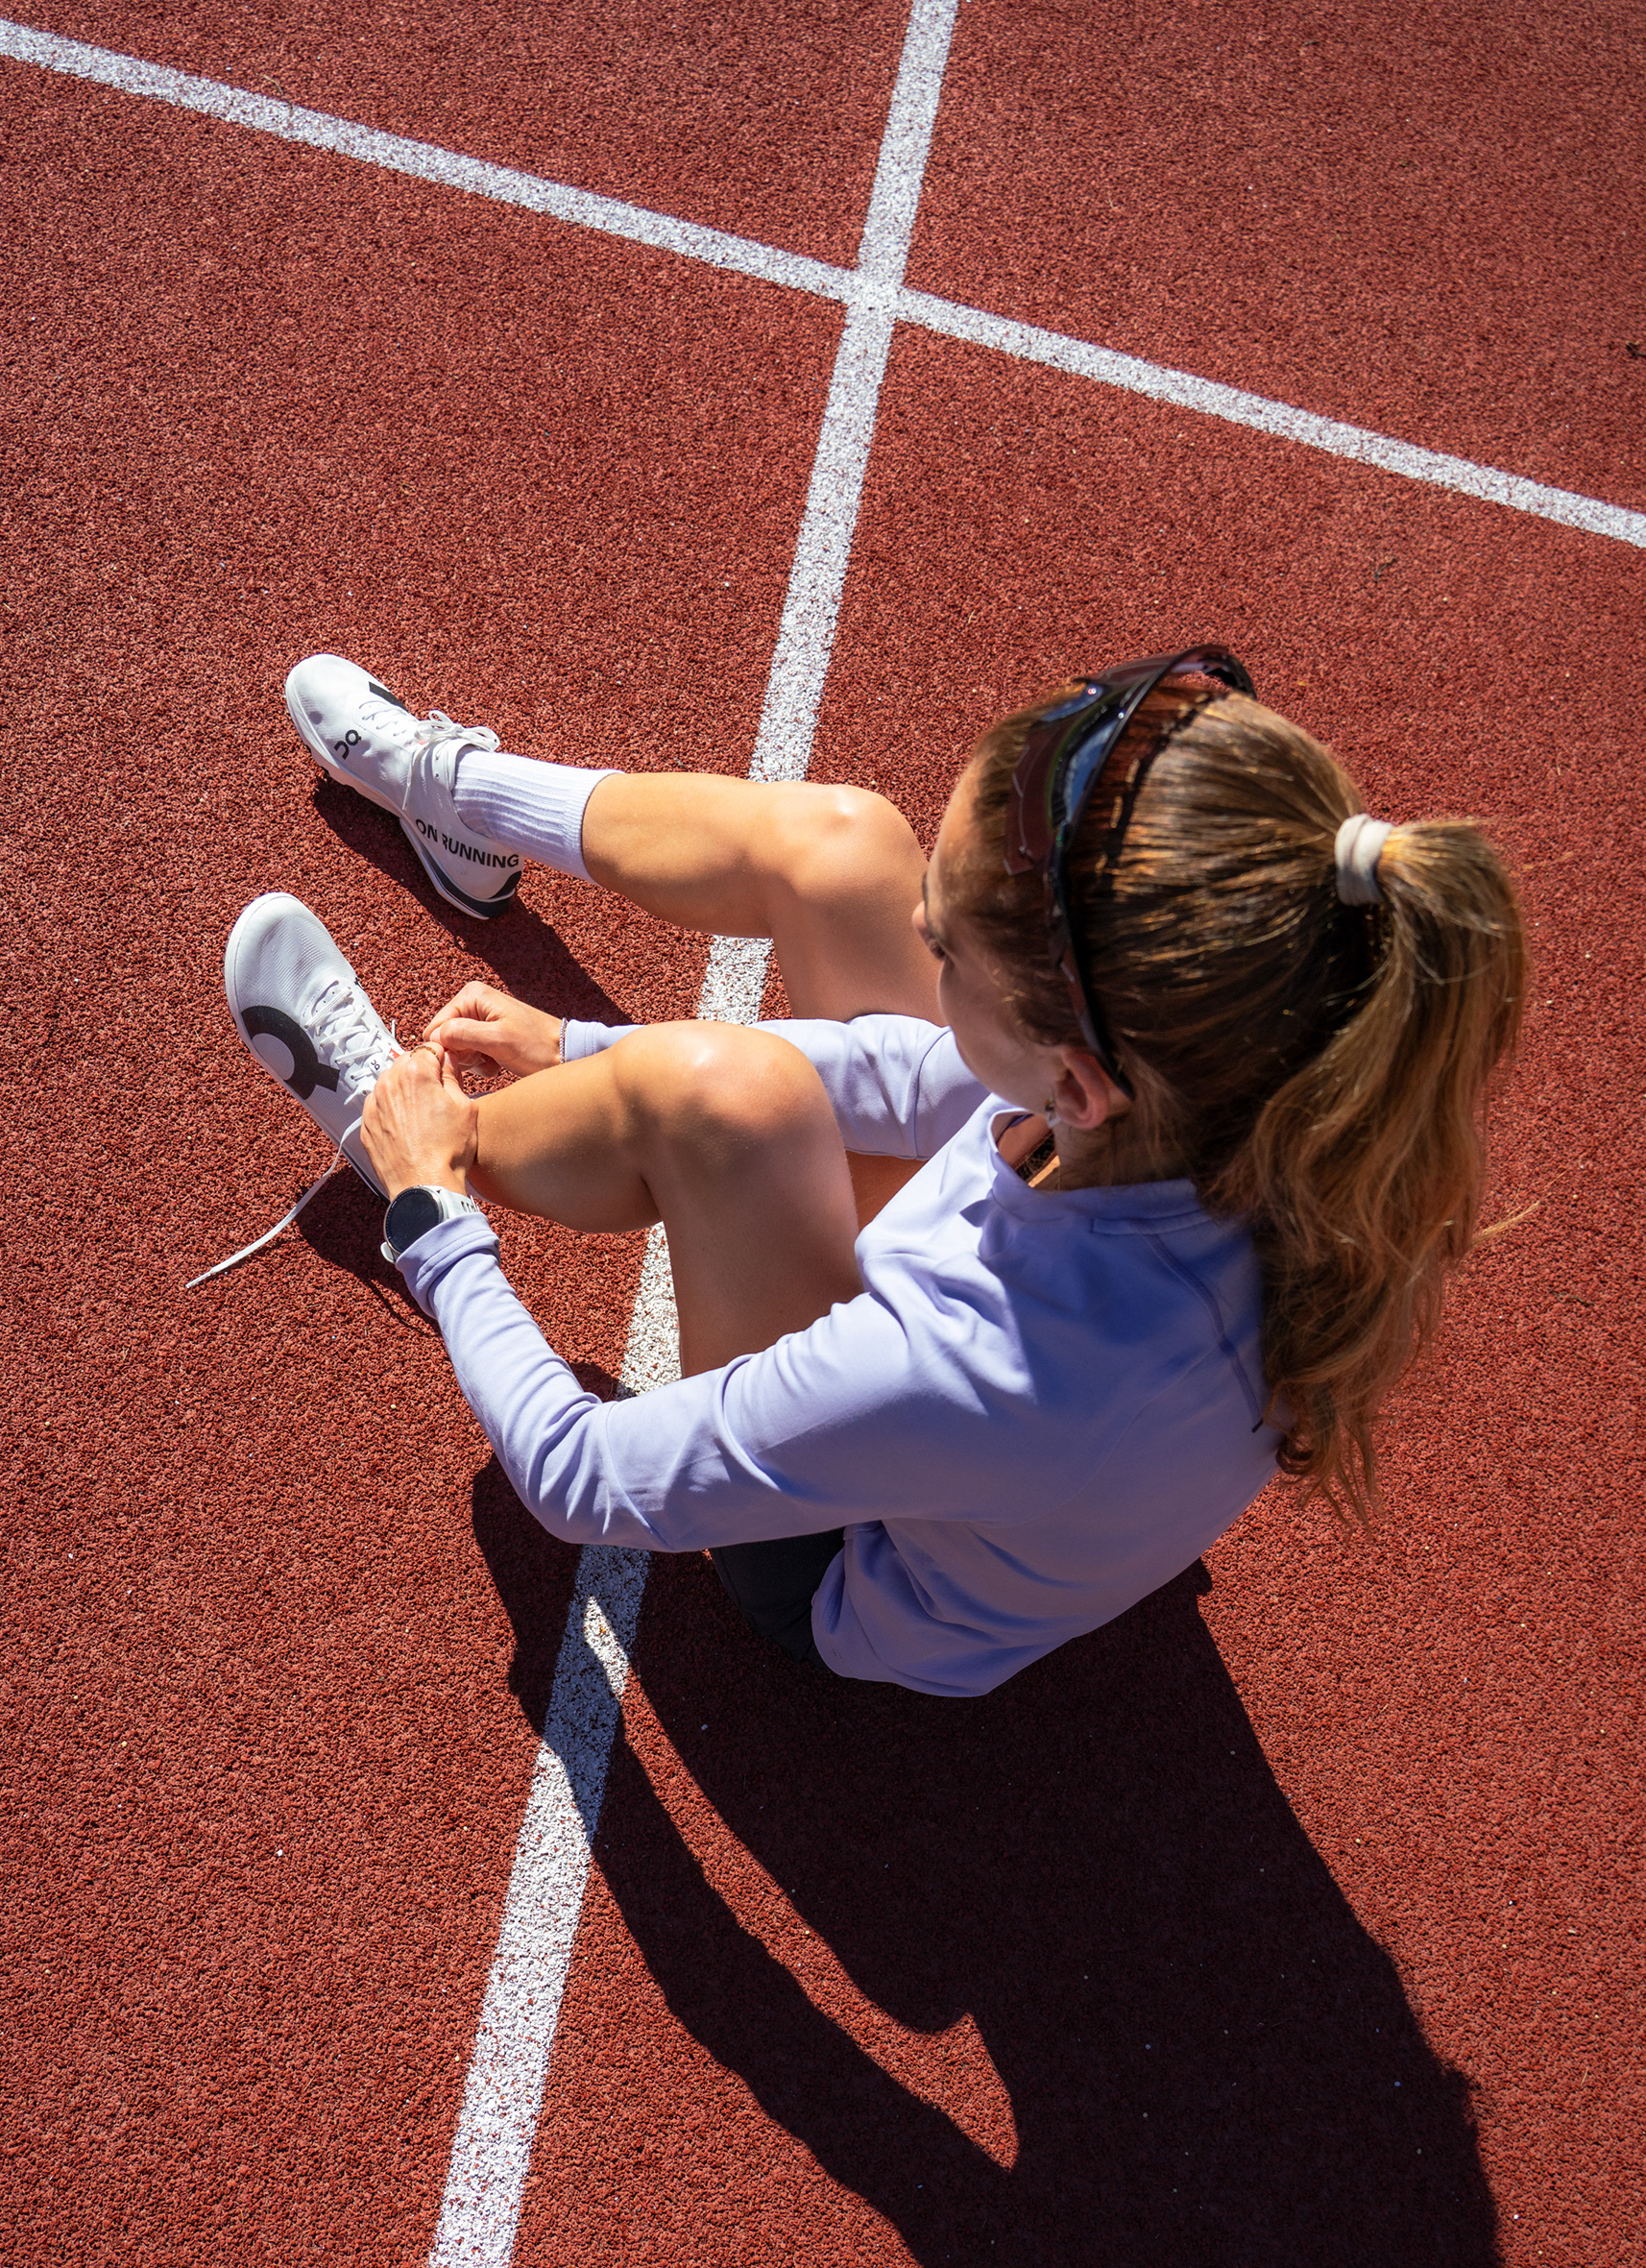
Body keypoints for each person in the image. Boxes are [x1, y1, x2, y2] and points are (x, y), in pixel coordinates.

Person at [217, 647, 1527, 1696]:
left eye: (945, 947)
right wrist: (589, 1040)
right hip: (1022, 1427)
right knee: (845, 845)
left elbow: (581, 1478)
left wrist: (434, 1220)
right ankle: (464, 805)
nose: (917, 935)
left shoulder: (973, 1362)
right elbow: (911, 1071)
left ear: (1074, 1084)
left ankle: (402, 1131)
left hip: (850, 1568)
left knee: (720, 1100)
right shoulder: (1242, 1092)